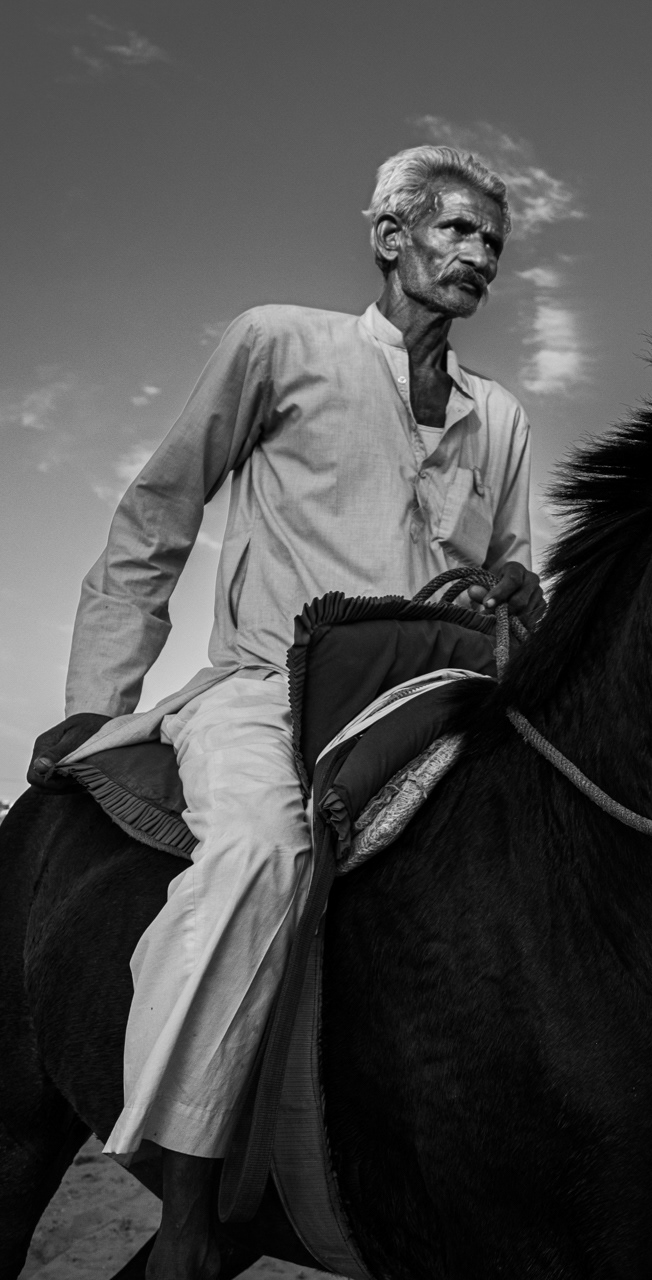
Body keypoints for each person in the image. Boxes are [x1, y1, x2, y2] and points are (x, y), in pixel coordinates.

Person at [25, 145, 545, 1279]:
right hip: (270, 690)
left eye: (494, 243)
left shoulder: (500, 418)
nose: (479, 255)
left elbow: (512, 563)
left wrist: (518, 587)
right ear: (390, 237)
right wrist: (94, 703)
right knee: (262, 851)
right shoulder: (277, 343)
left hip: (433, 701)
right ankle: (192, 1210)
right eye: (457, 230)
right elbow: (156, 514)